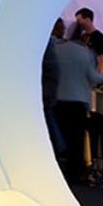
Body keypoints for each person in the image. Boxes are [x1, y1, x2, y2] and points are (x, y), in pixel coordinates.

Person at [54, 38, 103, 184]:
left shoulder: (56, 50)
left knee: (61, 137)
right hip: (78, 101)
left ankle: (61, 173)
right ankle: (76, 174)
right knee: (76, 139)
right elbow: (93, 78)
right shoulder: (84, 53)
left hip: (58, 100)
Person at [42, 18, 66, 158]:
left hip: (47, 91)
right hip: (51, 90)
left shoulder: (48, 44)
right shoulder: (52, 45)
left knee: (48, 119)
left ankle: (58, 147)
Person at [74, 7, 103, 72]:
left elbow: (102, 60)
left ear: (87, 20)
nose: (78, 23)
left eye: (79, 20)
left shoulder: (99, 37)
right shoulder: (82, 36)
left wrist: (97, 75)